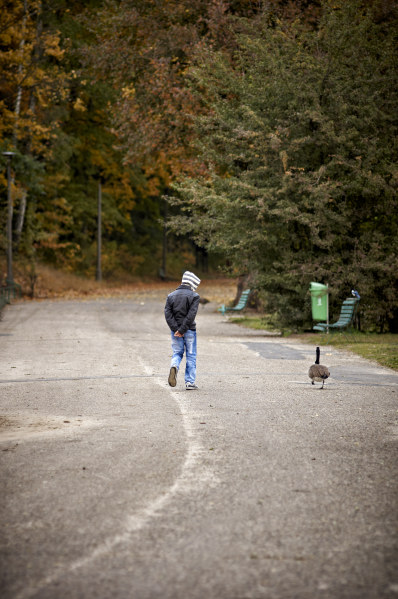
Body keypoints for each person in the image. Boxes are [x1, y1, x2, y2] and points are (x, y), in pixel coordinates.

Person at [164, 271, 201, 390]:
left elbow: (168, 314)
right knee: (191, 355)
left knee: (177, 353)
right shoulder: (194, 296)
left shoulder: (171, 296)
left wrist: (176, 329)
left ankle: (174, 366)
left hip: (175, 332)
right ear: (192, 283)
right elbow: (191, 315)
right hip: (189, 330)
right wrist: (183, 329)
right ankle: (190, 382)